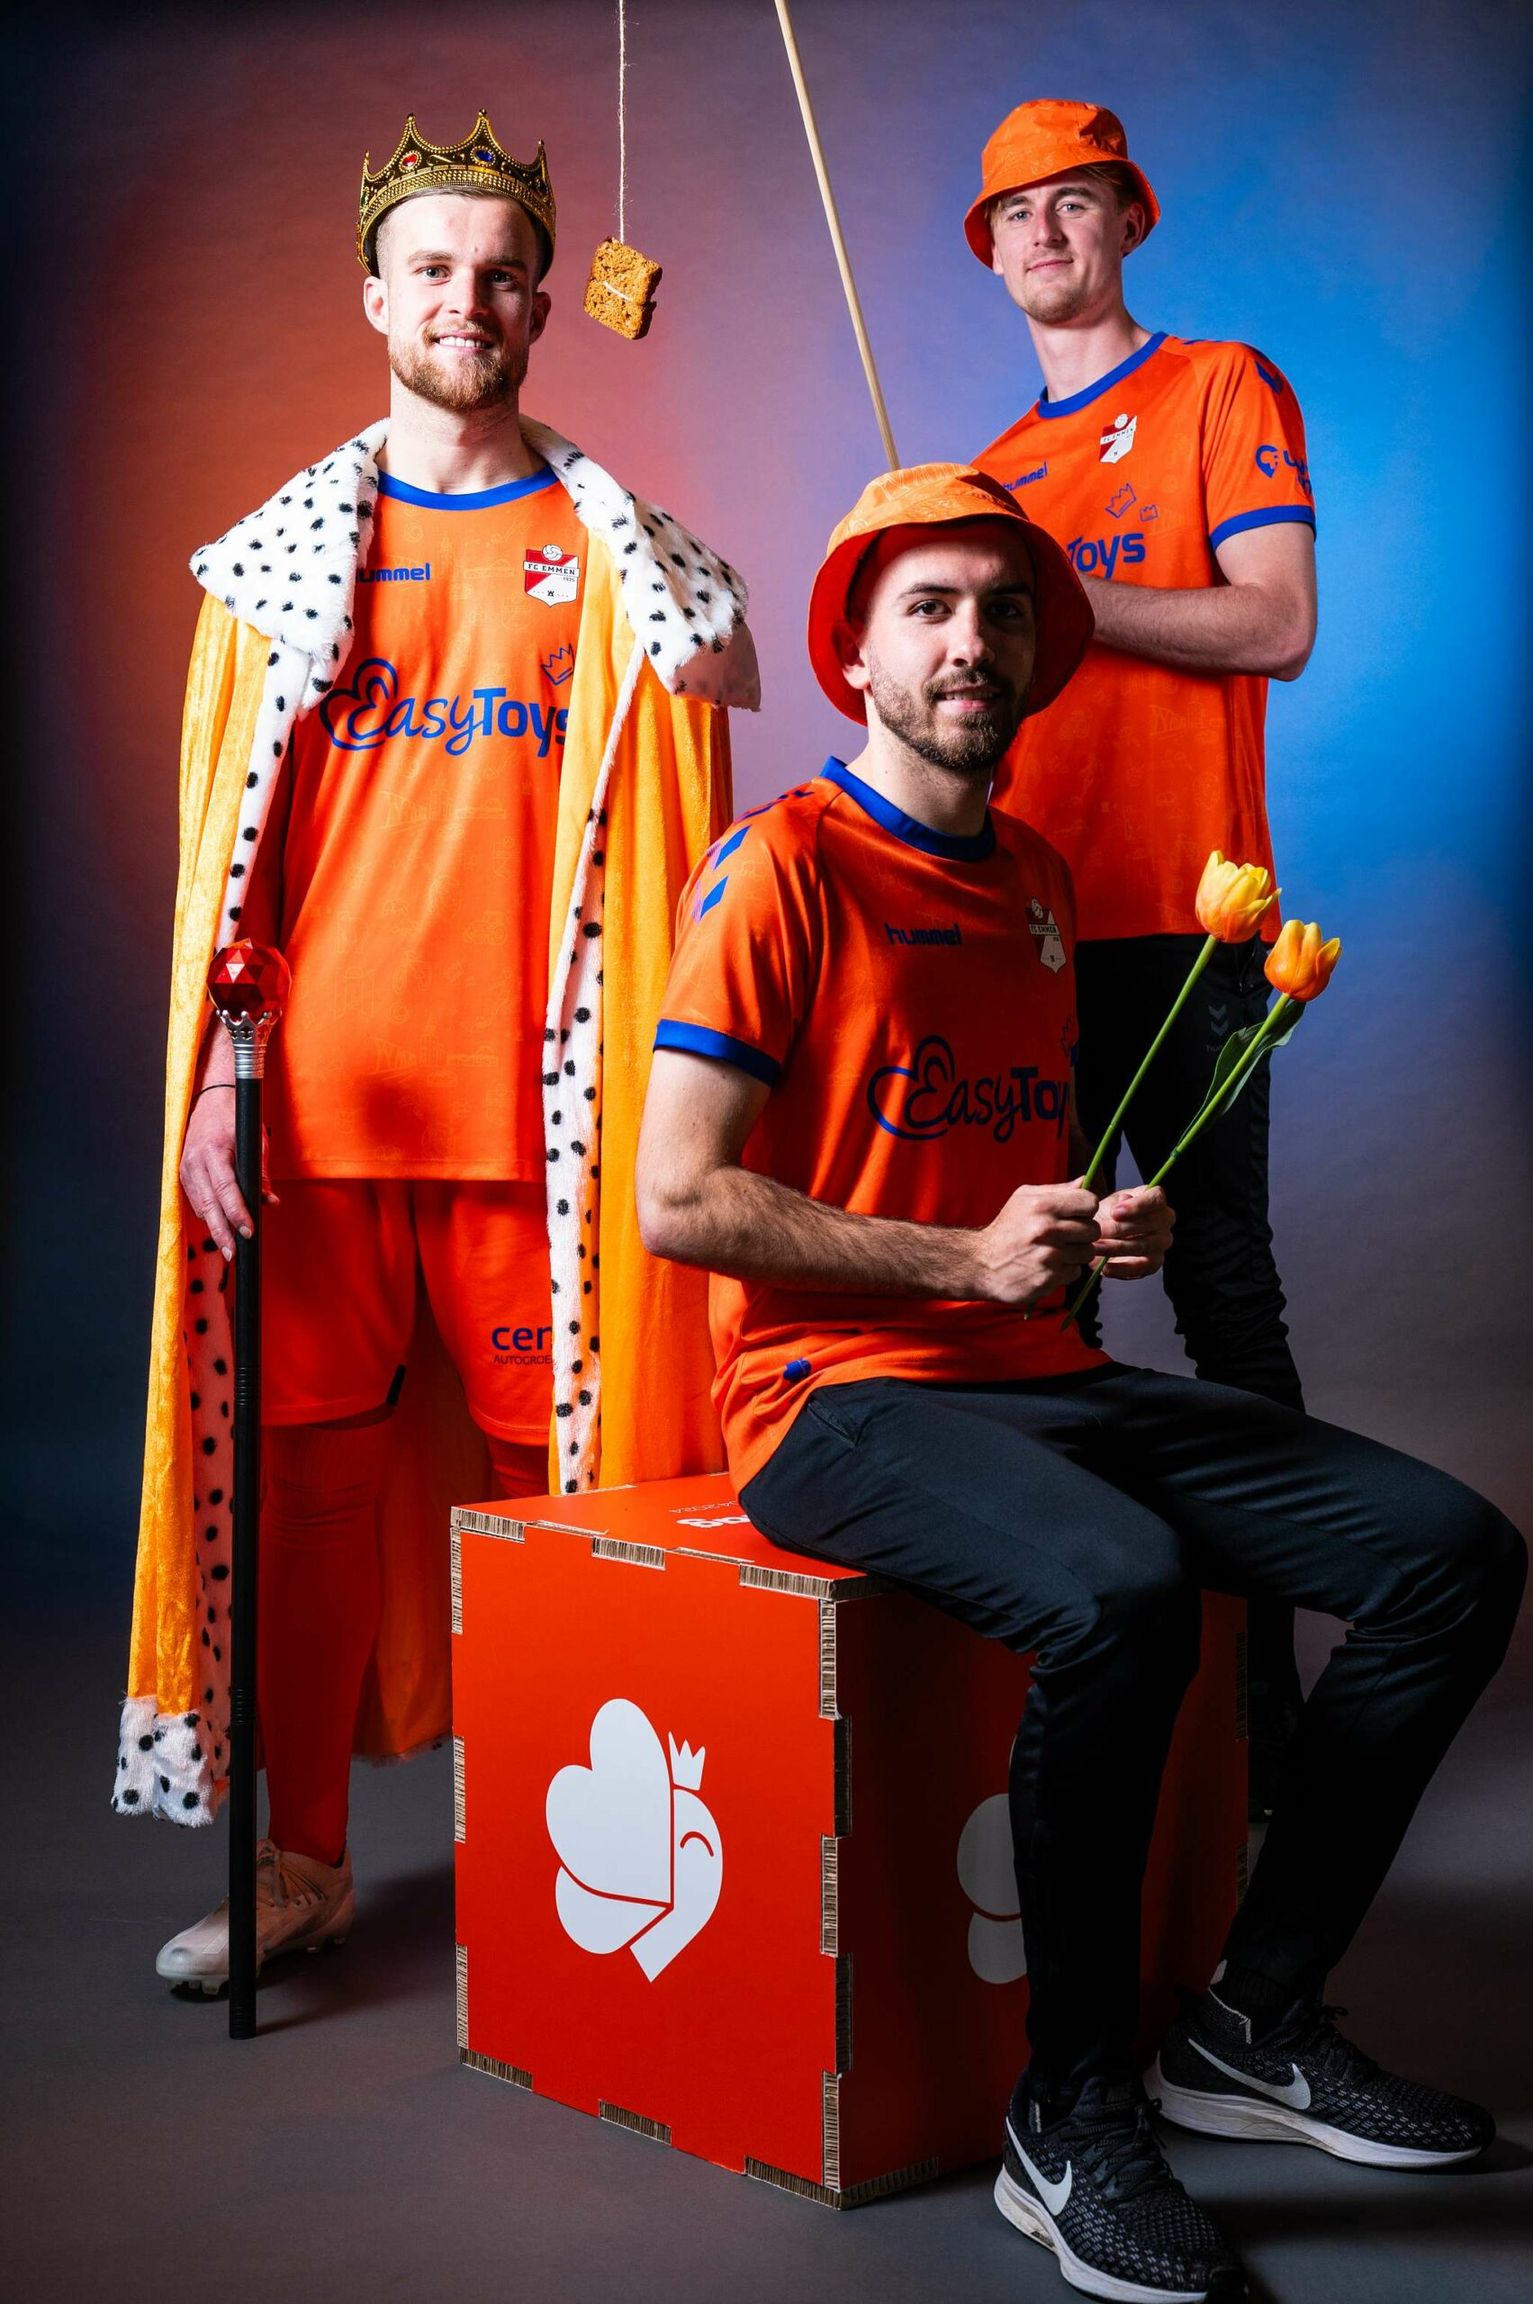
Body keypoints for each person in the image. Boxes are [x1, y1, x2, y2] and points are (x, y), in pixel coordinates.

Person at [635, 464, 1523, 2304]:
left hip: (1033, 1373)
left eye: (1004, 609)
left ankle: (1250, 2023)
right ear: (855, 653)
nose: (972, 641)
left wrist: (1099, 1231)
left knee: (1450, 1554)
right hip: (828, 1397)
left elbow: (991, 1175)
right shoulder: (779, 865)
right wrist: (954, 1262)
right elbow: (677, 1200)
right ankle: (1069, 2109)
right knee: (1124, 1595)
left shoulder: (1040, 881)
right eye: (929, 609)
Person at [115, 110, 756, 1993]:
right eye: (432, 272)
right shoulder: (281, 567)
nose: (466, 301)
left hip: (539, 1129)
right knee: (301, 1502)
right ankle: (298, 1863)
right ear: (374, 298)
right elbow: (229, 867)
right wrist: (221, 1072)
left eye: (501, 275)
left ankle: (568, 1871)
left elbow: (704, 773)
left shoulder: (626, 560)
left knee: (563, 1502)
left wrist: (748, 644)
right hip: (314, 1122)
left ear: (545, 305)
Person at [966, 101, 1317, 1813]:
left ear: (1125, 220)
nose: (1043, 234)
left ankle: (1266, 1734)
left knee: (1220, 1292)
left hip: (1192, 929)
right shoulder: (984, 478)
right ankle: (1112, 1693)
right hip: (1024, 933)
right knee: (1042, 1311)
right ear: (989, 253)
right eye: (1014, 214)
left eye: (1073, 203)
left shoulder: (1218, 387)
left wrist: (1067, 597)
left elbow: (1277, 621)